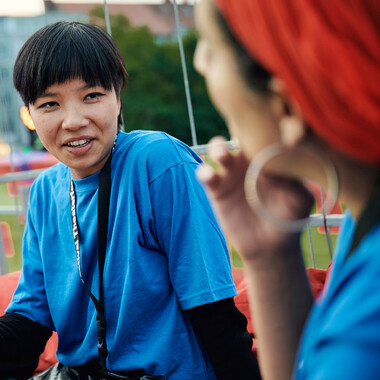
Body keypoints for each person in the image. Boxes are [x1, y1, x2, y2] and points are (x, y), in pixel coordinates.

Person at [0, 21, 261, 379]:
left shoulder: (158, 162)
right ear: (30, 114)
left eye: (92, 95)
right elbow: (30, 320)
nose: (74, 121)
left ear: (117, 97)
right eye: (50, 104)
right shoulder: (46, 191)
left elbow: (212, 309)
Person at [194, 0, 380, 379]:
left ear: (287, 109)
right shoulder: (364, 214)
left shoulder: (363, 334)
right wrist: (270, 259)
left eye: (211, 46)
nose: (199, 62)